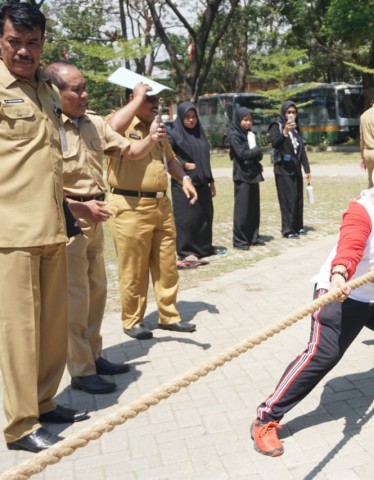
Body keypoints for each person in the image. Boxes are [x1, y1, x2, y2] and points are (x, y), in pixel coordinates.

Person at [251, 147, 374, 457]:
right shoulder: (364, 207)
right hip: (345, 293)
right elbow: (351, 244)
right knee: (322, 355)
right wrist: (340, 275)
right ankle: (267, 417)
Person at [45, 62, 170, 394]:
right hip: (70, 216)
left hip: (97, 216)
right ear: (57, 91)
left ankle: (95, 355)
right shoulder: (48, 126)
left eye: (85, 87)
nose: (85, 94)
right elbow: (45, 182)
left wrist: (152, 139)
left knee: (96, 293)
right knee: (75, 298)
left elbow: (130, 151)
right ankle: (82, 371)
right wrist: (77, 208)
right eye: (77, 89)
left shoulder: (93, 124)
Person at [0, 3, 90, 453]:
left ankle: (44, 401)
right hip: (11, 234)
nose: (23, 50)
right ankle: (19, 426)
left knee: (52, 328)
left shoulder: (48, 92)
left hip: (54, 226)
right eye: (15, 40)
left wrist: (71, 210)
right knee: (19, 335)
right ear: (1, 40)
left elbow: (50, 163)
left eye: (32, 42)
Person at [105, 85, 199, 340]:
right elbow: (110, 130)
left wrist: (185, 180)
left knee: (167, 265)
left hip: (160, 205)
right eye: (149, 100)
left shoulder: (157, 127)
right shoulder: (120, 122)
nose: (155, 104)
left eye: (157, 100)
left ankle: (168, 315)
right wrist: (137, 103)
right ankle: (133, 320)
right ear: (132, 99)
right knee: (133, 268)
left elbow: (170, 160)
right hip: (130, 207)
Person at [168, 102, 216, 261]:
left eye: (193, 117)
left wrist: (211, 180)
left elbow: (206, 158)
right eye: (187, 117)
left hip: (202, 182)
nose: (191, 120)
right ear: (181, 117)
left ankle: (204, 248)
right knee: (187, 219)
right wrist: (184, 165)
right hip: (184, 184)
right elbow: (168, 156)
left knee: (204, 216)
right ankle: (187, 251)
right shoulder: (174, 134)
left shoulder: (199, 133)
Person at [269, 100, 311, 239]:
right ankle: (287, 229)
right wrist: (285, 132)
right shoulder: (276, 125)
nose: (291, 115)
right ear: (283, 113)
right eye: (289, 112)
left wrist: (307, 169)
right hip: (283, 169)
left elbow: (301, 150)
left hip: (296, 168)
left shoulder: (297, 128)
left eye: (293, 112)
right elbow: (275, 143)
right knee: (288, 199)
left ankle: (298, 226)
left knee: (298, 197)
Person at [229, 106, 264, 250]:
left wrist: (255, 152)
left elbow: (259, 155)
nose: (248, 123)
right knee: (242, 210)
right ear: (238, 120)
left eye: (250, 120)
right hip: (242, 175)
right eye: (245, 120)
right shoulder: (234, 135)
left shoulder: (250, 134)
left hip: (253, 174)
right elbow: (242, 154)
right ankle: (240, 240)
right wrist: (256, 151)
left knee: (253, 208)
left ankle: (253, 236)